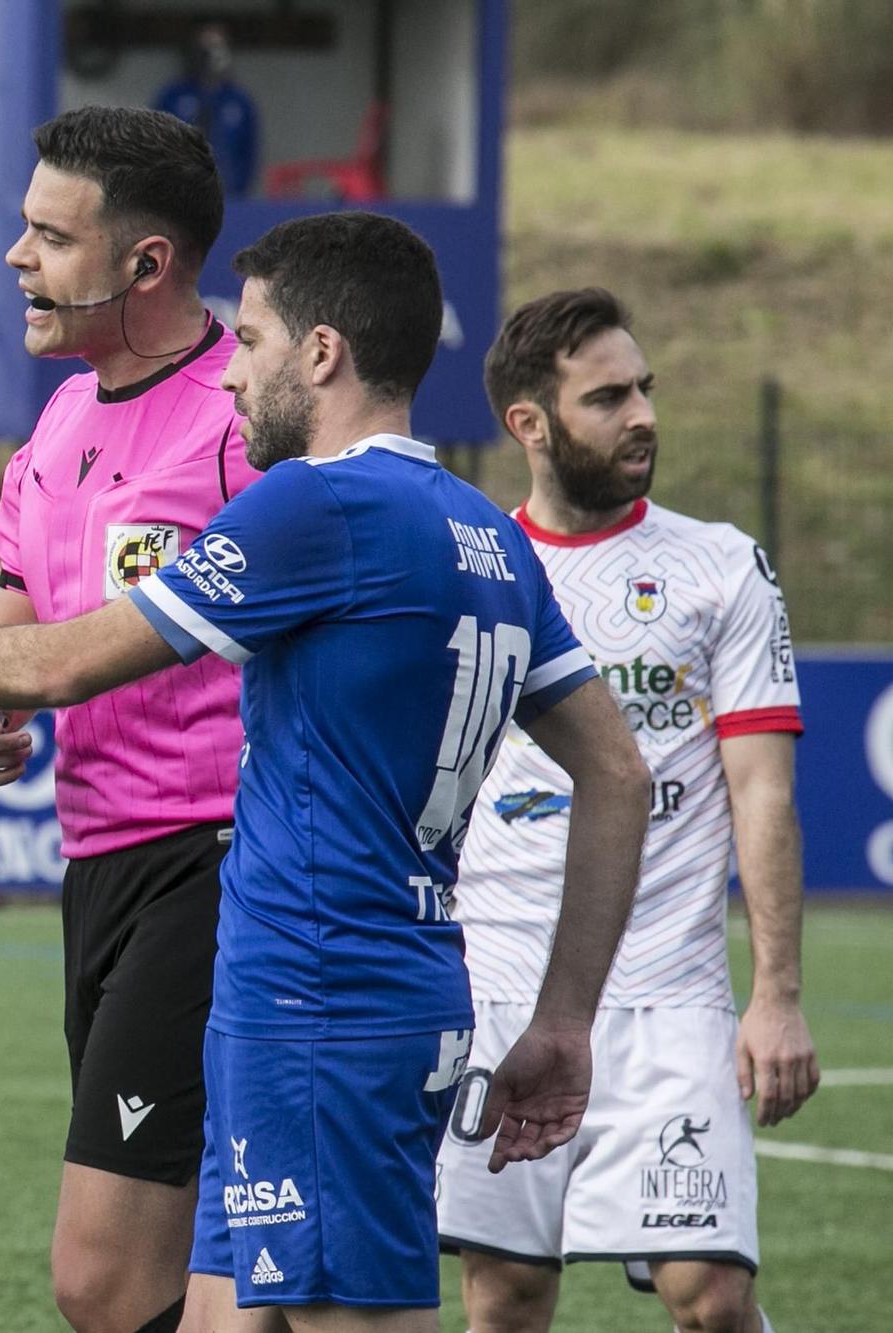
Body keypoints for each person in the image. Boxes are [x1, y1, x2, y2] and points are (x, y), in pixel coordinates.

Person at [0, 212, 651, 1331]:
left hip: (320, 993)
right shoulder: (482, 532)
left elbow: (65, 664)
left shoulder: (318, 503)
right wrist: (562, 1017)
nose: (231, 375)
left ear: (321, 353)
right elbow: (617, 775)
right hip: (343, 984)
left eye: (249, 344)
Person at [436, 288, 819, 1333]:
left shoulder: (717, 564)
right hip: (496, 983)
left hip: (668, 995)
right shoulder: (470, 565)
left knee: (708, 1293)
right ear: (528, 423)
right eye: (606, 397)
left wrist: (774, 992)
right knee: (506, 1296)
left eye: (643, 388)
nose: (641, 413)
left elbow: (760, 788)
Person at [0, 104, 258, 1333]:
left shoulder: (243, 425)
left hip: (221, 862)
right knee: (186, 1268)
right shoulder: (59, 417)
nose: (16, 258)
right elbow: (16, 624)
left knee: (106, 1274)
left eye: (47, 236)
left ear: (145, 264)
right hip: (100, 865)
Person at [154, 23, 260, 199]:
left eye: (218, 49)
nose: (212, 57)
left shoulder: (239, 101)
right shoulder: (173, 95)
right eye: (206, 51)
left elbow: (249, 153)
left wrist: (240, 193)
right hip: (177, 195)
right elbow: (155, 144)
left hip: (229, 194)